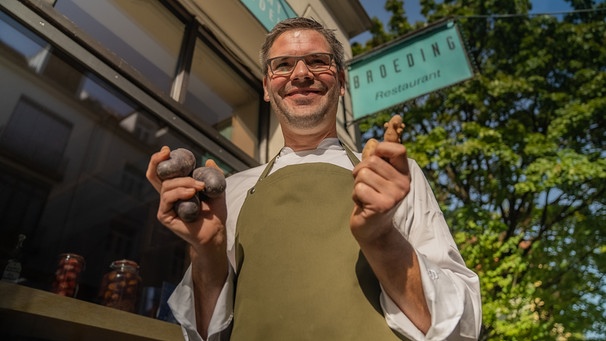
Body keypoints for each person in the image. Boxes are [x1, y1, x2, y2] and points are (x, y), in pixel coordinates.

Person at [146, 17, 481, 341]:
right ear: (266, 86)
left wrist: (381, 238)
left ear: (342, 83)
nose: (302, 74)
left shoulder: (393, 178)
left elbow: (457, 328)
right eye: (283, 65)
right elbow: (206, 335)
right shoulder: (230, 191)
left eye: (318, 61)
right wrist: (208, 250)